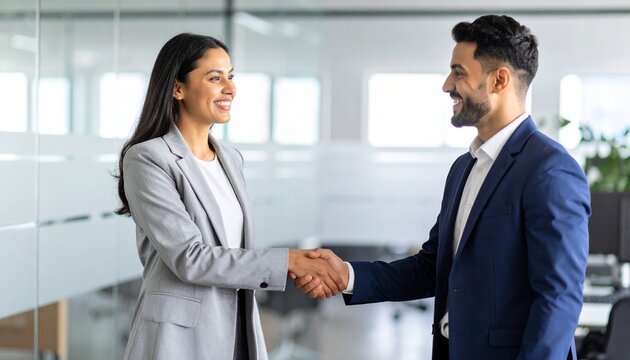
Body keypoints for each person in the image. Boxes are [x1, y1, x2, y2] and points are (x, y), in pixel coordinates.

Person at [294, 15, 591, 360]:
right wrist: (346, 275)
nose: (447, 84)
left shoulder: (549, 169)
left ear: (499, 80)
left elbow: (559, 298)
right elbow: (433, 267)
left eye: (459, 72)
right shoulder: (464, 167)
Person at [116, 33, 344, 360]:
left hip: (239, 326)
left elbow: (235, 251)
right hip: (181, 337)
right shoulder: (148, 159)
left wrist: (294, 267)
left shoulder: (230, 158)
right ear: (177, 88)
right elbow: (189, 258)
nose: (230, 88)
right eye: (215, 78)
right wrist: (287, 262)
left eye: (231, 76)